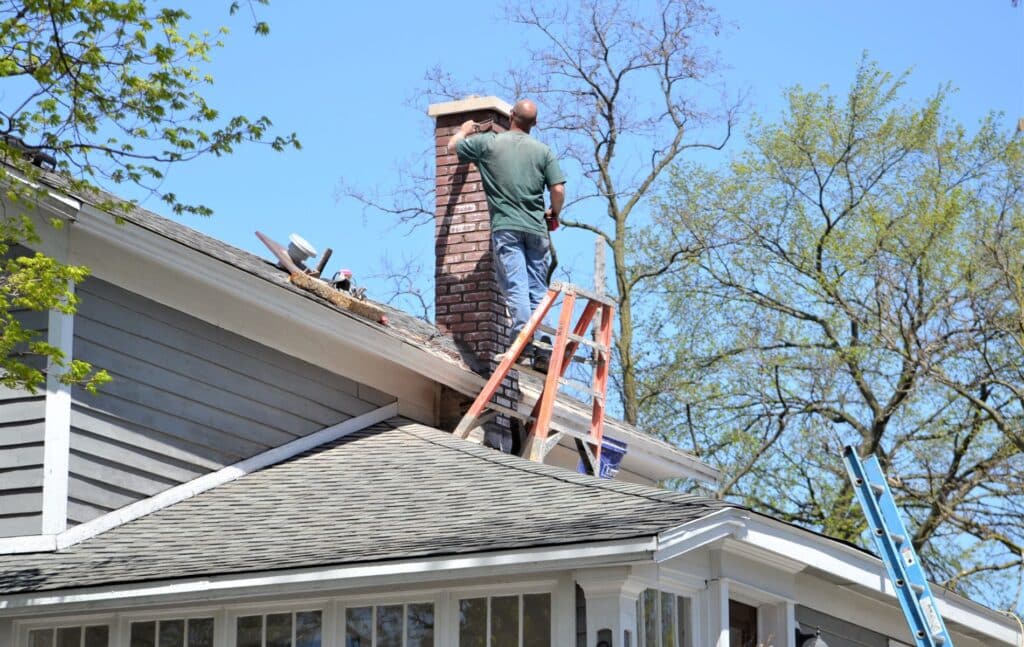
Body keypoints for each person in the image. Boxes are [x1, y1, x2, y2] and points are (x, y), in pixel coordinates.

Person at [447, 98, 566, 371]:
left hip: (507, 228)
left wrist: (465, 129)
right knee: (538, 291)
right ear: (534, 123)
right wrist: (554, 212)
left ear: (511, 115)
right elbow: (558, 190)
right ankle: (542, 349)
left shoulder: (489, 143)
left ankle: (522, 342)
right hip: (537, 230)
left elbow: (452, 146)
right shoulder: (543, 151)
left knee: (516, 287)